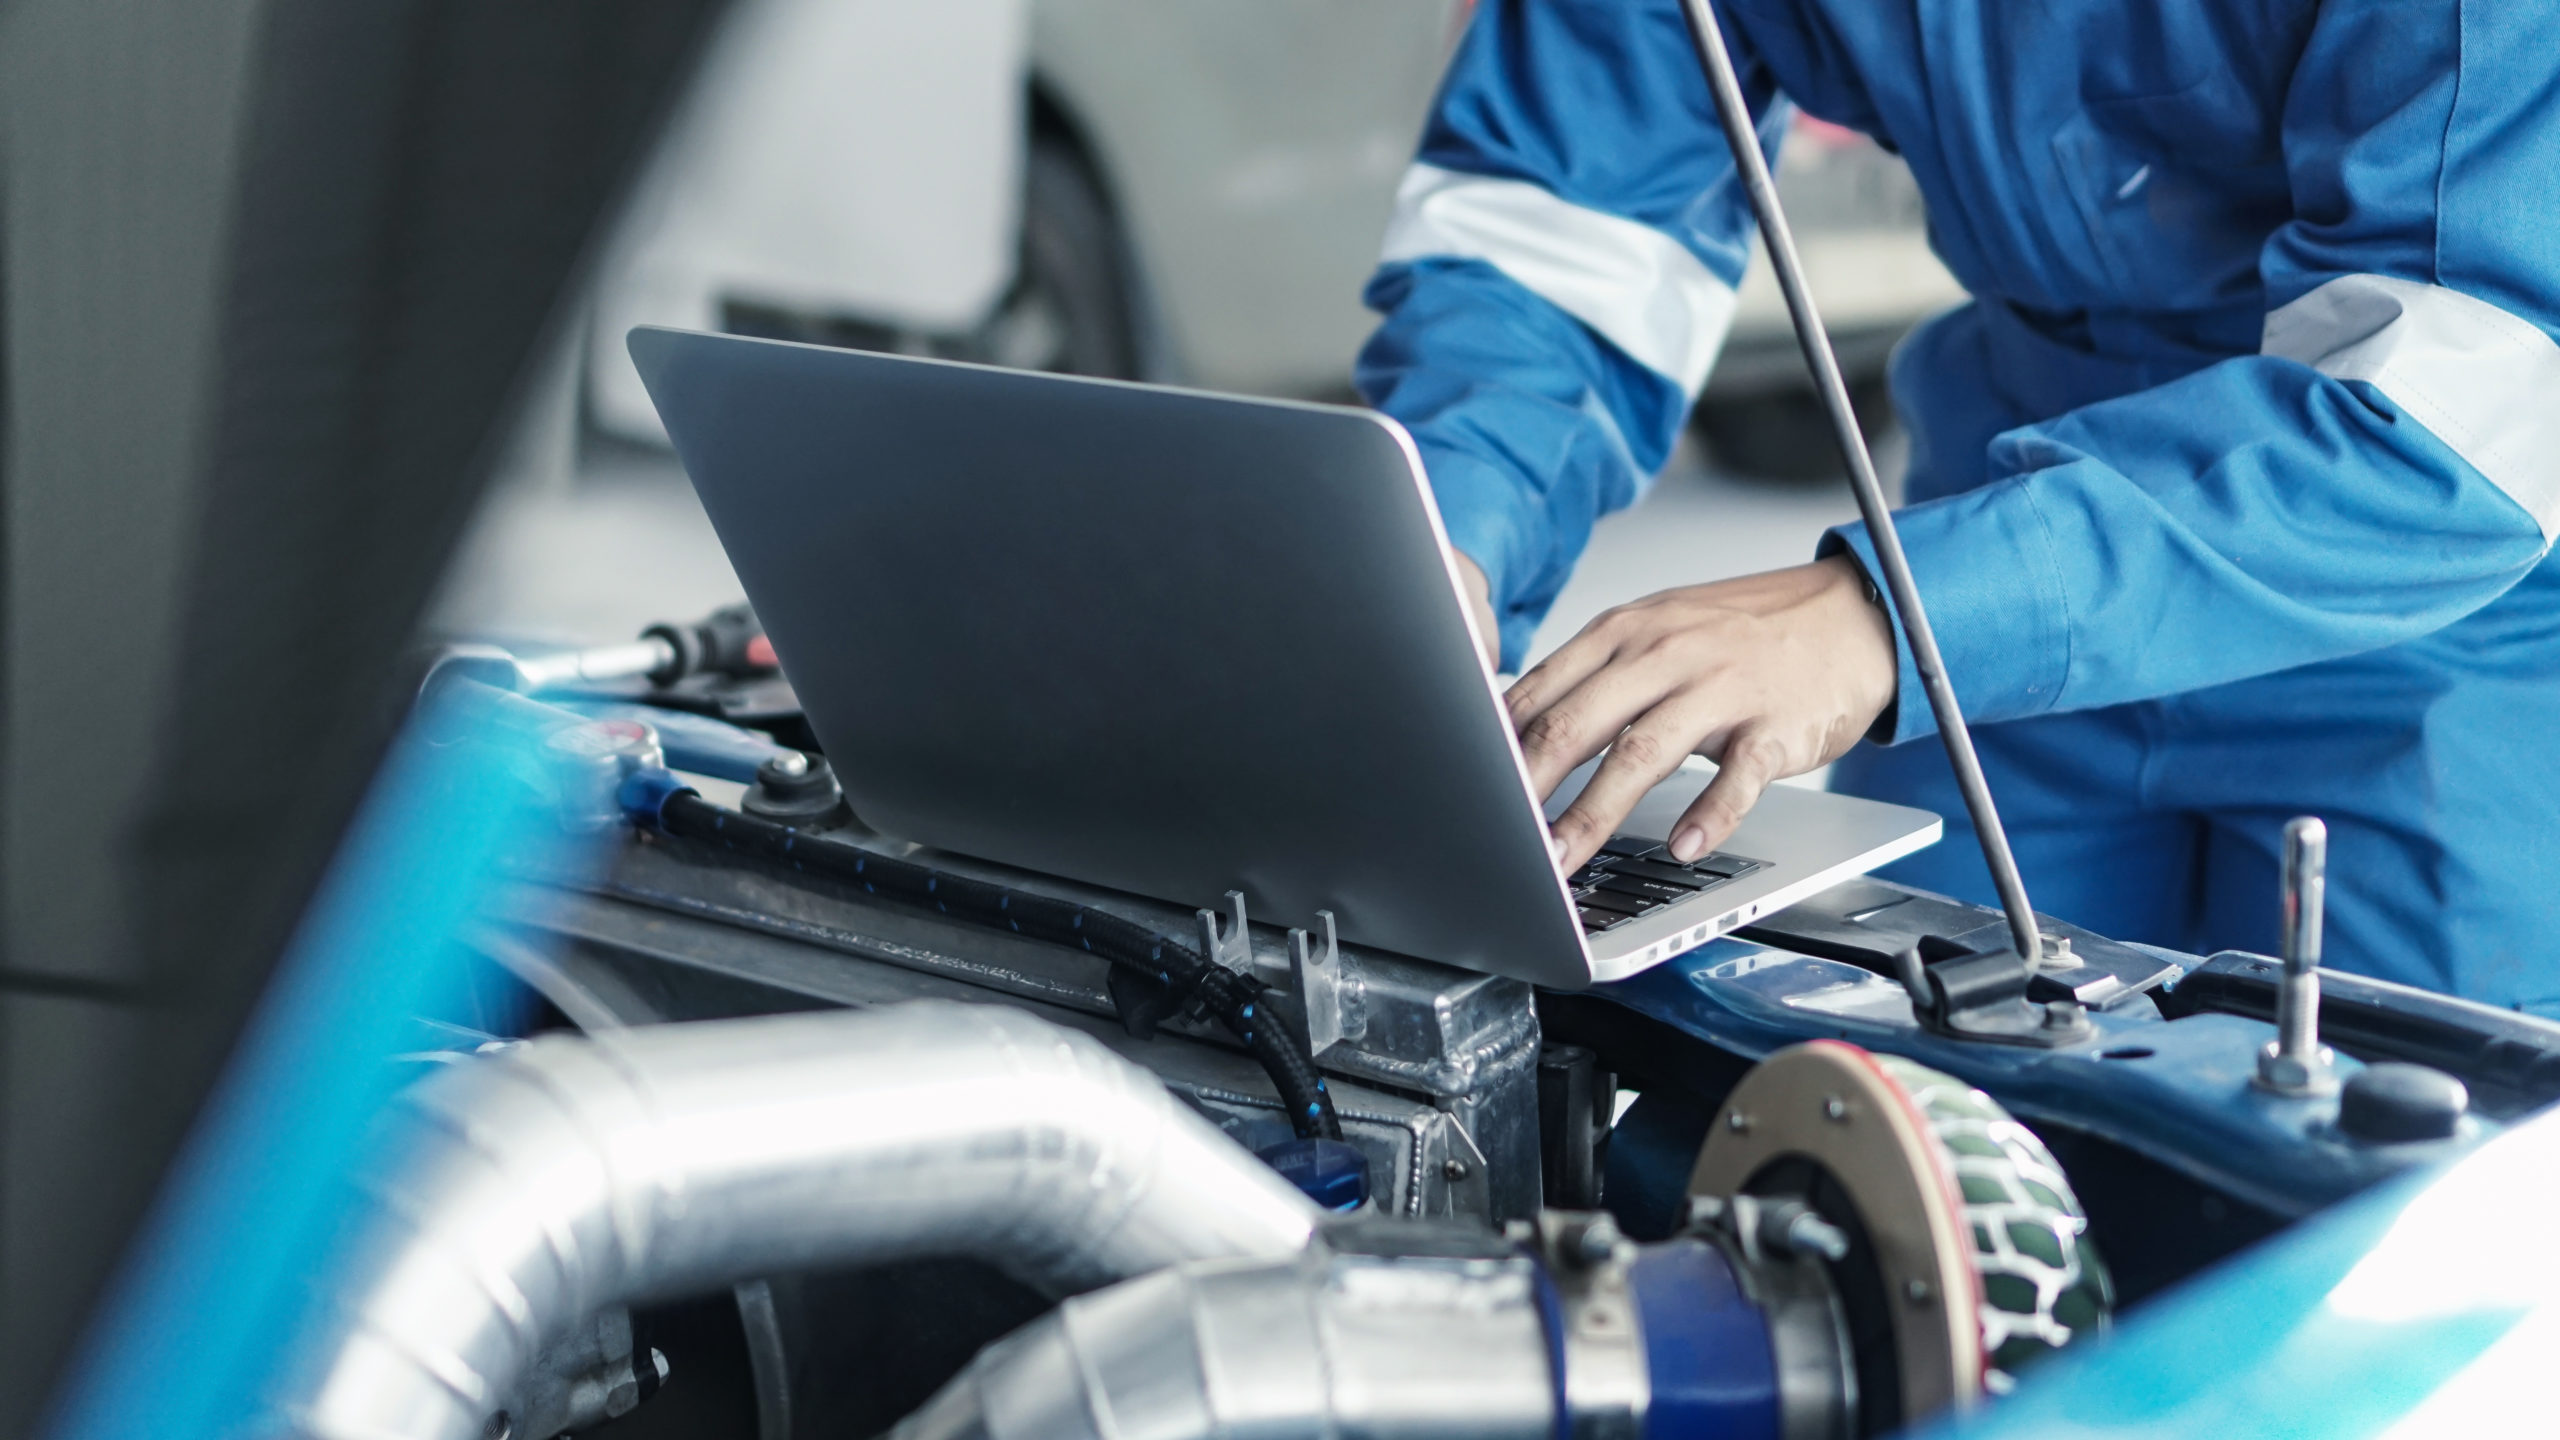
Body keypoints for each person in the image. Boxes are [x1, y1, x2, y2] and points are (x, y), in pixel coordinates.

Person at [1355, 0, 2560, 1014]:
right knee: (1915, 1162)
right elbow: (1565, 220)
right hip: (2004, 578)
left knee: (2389, 1211)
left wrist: (1883, 618)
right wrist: (1442, 530)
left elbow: (2461, 404)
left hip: (2421, 619)